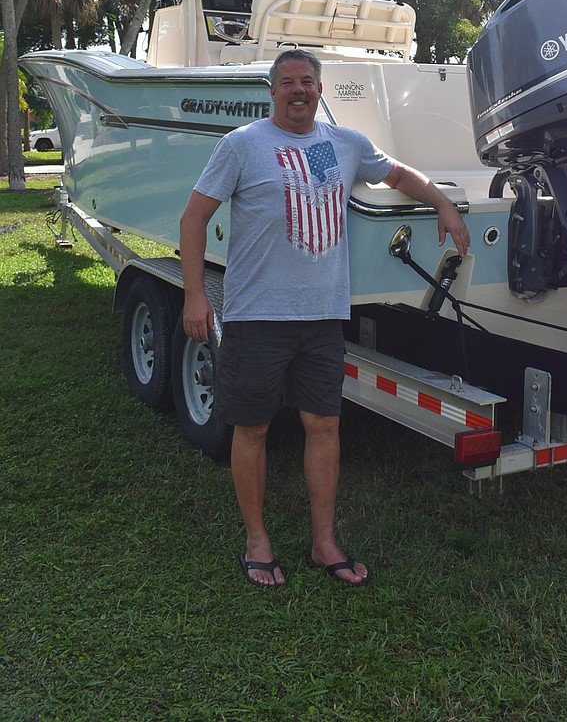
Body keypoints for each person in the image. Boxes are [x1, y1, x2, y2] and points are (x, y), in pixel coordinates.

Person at [179, 47, 469, 589]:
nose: (298, 90)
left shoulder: (345, 144)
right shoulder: (241, 146)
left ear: (319, 89)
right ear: (271, 91)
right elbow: (195, 218)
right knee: (253, 427)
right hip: (256, 316)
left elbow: (396, 173)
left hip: (322, 319)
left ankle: (323, 542)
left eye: (307, 81)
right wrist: (195, 295)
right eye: (287, 81)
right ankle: (257, 540)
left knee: (325, 425)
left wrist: (443, 204)